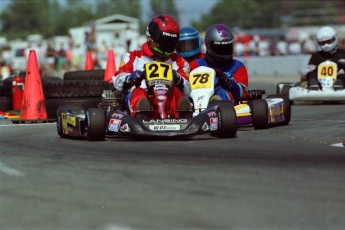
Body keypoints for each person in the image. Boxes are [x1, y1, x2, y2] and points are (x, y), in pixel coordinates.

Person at [112, 14, 191, 119]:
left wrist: (178, 78)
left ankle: (182, 115)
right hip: (142, 100)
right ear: (151, 37)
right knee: (138, 92)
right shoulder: (132, 57)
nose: (166, 46)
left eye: (169, 43)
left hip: (168, 101)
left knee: (176, 91)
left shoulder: (180, 62)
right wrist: (131, 78)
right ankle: (142, 113)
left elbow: (188, 90)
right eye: (163, 42)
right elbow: (117, 81)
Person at [189, 24, 249, 105]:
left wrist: (232, 85)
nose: (224, 51)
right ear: (208, 45)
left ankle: (217, 103)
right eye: (220, 48)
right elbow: (186, 86)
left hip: (227, 111)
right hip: (197, 103)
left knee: (223, 93)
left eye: (227, 47)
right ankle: (186, 107)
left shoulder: (237, 66)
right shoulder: (196, 65)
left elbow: (244, 94)